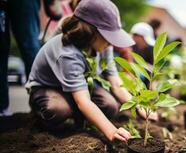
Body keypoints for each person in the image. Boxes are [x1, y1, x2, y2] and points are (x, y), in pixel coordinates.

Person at [26, 0, 157, 142]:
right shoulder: (68, 53)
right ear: (91, 31)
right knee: (57, 110)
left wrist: (138, 106)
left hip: (78, 87)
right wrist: (111, 131)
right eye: (108, 36)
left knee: (110, 106)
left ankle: (78, 116)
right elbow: (83, 101)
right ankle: (40, 115)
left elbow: (115, 84)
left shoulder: (104, 45)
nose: (111, 42)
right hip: (48, 87)